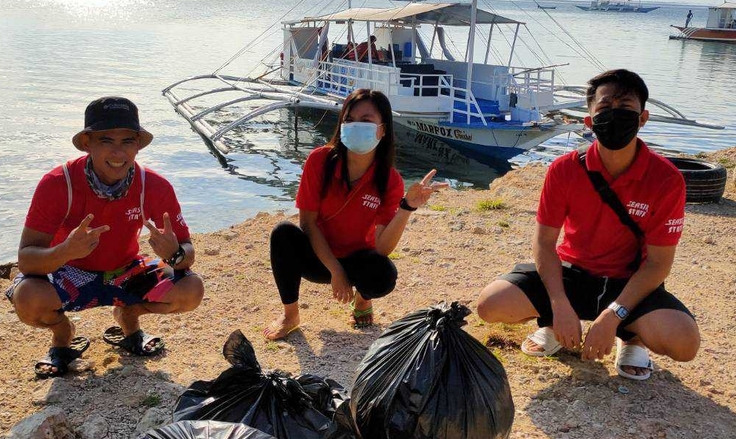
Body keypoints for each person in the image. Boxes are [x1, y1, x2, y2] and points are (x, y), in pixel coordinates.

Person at [474, 69, 700, 381]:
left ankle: (629, 336)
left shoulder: (667, 179)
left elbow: (659, 264)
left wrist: (613, 315)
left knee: (684, 342)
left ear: (643, 118)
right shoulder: (564, 170)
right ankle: (554, 324)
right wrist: (558, 305)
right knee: (490, 305)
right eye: (605, 108)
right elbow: (543, 244)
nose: (615, 116)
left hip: (629, 282)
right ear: (589, 120)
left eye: (626, 108)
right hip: (572, 275)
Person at [7, 97, 204, 377]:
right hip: (68, 272)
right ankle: (62, 335)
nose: (118, 152)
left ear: (138, 144)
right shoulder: (57, 184)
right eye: (106, 140)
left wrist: (174, 254)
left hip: (126, 271)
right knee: (28, 297)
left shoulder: (154, 186)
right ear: (87, 143)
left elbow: (188, 253)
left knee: (192, 289)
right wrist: (65, 251)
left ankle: (129, 318)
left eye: (127, 141)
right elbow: (26, 260)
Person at [264, 89, 447, 340]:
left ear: (382, 130)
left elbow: (382, 248)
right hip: (318, 257)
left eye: (366, 120)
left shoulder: (389, 180)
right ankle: (290, 314)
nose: (355, 126)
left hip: (357, 260)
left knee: (384, 274)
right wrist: (335, 271)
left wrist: (406, 207)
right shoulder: (320, 160)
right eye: (349, 120)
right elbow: (307, 223)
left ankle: (362, 301)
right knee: (283, 233)